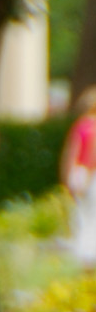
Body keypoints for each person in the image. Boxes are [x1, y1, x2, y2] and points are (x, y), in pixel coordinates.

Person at [61, 89, 96, 267]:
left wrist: (67, 175)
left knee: (83, 215)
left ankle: (86, 255)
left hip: (82, 172)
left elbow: (72, 153)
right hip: (92, 174)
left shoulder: (81, 126)